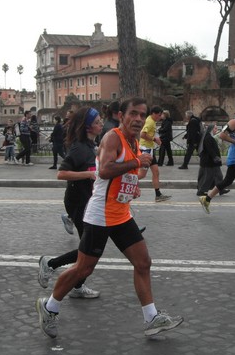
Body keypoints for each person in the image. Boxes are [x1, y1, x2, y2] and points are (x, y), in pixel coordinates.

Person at [35, 97, 183, 338]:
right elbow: (104, 170)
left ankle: (151, 317)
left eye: (141, 114)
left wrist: (132, 185)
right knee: (83, 269)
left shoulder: (133, 141)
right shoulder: (112, 137)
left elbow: (123, 174)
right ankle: (49, 306)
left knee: (143, 262)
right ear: (121, 116)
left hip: (121, 214)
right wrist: (135, 162)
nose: (137, 119)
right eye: (133, 113)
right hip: (100, 215)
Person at [38, 106, 101, 299]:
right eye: (97, 122)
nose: (101, 124)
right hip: (77, 202)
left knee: (90, 249)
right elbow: (61, 173)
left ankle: (76, 284)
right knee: (89, 250)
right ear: (88, 126)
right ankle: (51, 264)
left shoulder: (91, 145)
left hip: (88, 201)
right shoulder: (78, 147)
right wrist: (89, 174)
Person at [139, 105, 171, 202]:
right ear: (153, 114)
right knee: (142, 175)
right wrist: (154, 139)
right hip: (146, 150)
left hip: (149, 149)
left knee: (156, 172)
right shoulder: (150, 122)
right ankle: (123, 183)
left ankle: (158, 195)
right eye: (159, 115)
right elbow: (142, 134)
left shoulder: (151, 120)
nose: (160, 117)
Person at [197, 123, 226, 196]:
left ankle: (221, 189)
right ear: (211, 129)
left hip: (212, 161)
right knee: (209, 177)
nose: (216, 130)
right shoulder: (208, 137)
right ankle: (202, 191)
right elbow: (210, 149)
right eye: (215, 128)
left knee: (219, 175)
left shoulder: (209, 136)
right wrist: (215, 157)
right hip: (210, 161)